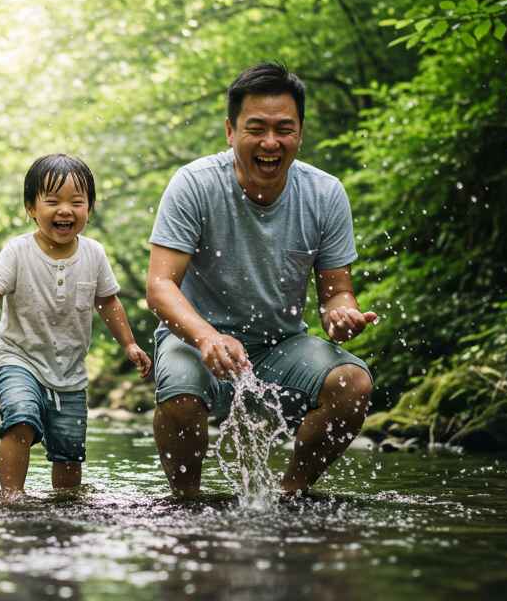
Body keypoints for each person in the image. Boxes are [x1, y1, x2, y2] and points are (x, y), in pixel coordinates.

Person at [146, 62, 377, 498]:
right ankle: (187, 504)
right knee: (179, 394)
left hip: (282, 346)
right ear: (231, 132)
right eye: (257, 128)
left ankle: (290, 495)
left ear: (300, 134)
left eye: (284, 129)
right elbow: (160, 287)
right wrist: (206, 337)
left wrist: (341, 312)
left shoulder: (325, 194)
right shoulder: (194, 185)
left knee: (354, 383)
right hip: (195, 339)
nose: (271, 142)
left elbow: (336, 290)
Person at [0, 153, 153, 498]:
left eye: (77, 202)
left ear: (89, 208)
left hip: (70, 372)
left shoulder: (94, 254)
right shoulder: (17, 251)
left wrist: (129, 344)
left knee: (69, 449)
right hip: (18, 358)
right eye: (52, 201)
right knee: (19, 418)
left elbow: (108, 302)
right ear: (32, 208)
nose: (65, 210)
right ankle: (11, 498)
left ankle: (66, 506)